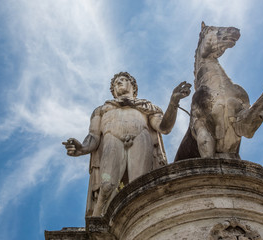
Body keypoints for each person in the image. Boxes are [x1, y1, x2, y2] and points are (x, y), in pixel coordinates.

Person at [63, 72, 191, 216]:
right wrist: (81, 148)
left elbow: (164, 127)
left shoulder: (146, 107)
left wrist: (173, 103)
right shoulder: (102, 110)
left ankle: (142, 222)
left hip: (140, 138)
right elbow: (93, 137)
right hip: (112, 140)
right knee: (106, 186)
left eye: (123, 80)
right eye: (116, 83)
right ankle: (97, 224)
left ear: (133, 86)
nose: (119, 83)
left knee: (141, 186)